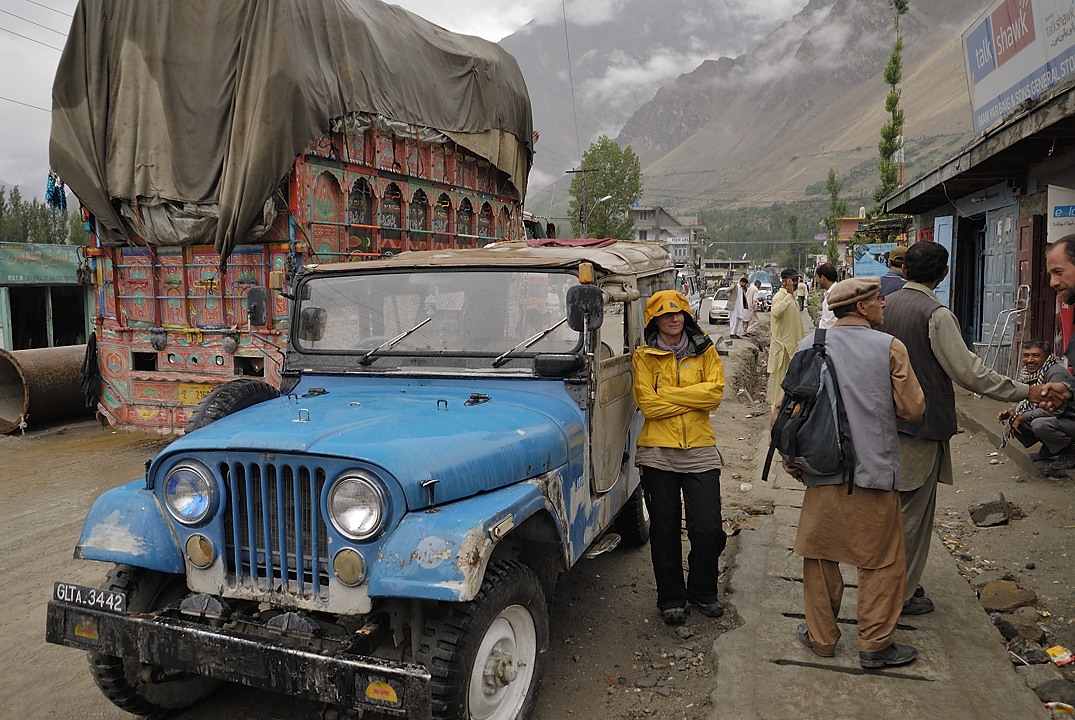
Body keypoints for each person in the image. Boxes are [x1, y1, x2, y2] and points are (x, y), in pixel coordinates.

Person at [881, 241, 1046, 615]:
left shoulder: (884, 306)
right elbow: (969, 373)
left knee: (890, 511)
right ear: (943, 273)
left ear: (904, 270)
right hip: (919, 427)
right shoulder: (936, 314)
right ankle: (897, 595)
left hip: (884, 422)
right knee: (912, 516)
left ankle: (892, 584)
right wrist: (1026, 390)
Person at [781, 277, 925, 669]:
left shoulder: (809, 345)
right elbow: (913, 408)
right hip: (873, 472)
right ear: (861, 307)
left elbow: (787, 410)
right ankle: (875, 645)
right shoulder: (889, 347)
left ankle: (822, 638)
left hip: (822, 469)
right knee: (882, 561)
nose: (885, 306)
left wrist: (791, 457)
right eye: (879, 300)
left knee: (820, 555)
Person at [632, 289, 727, 626]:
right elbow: (648, 405)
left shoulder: (706, 350)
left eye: (679, 313)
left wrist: (669, 395)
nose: (674, 318)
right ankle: (671, 597)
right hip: (658, 452)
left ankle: (703, 590)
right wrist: (693, 398)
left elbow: (714, 395)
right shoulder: (643, 356)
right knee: (665, 529)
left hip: (700, 449)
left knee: (708, 530)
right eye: (666, 314)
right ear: (654, 319)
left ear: (687, 316)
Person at [767, 268, 805, 412]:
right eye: (793, 280)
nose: (796, 283)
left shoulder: (792, 297)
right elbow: (776, 312)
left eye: (797, 280)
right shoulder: (780, 296)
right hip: (782, 351)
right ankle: (775, 416)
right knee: (779, 387)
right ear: (785, 281)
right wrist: (788, 296)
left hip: (792, 350)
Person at [815, 263, 840, 330]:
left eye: (817, 278)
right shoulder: (829, 293)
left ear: (823, 278)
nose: (817, 281)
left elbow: (829, 322)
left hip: (830, 335)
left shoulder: (835, 294)